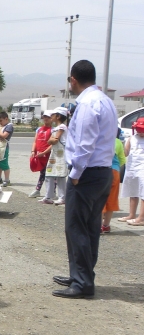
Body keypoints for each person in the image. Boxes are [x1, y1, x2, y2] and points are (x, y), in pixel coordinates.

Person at [52, 60, 117, 299]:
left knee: (76, 227)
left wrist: (76, 174)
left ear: (74, 80)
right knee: (89, 227)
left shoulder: (88, 104)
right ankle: (82, 274)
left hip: (87, 173)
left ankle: (82, 282)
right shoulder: (105, 101)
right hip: (102, 172)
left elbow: (85, 144)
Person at [100, 128, 127, 233]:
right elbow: (122, 160)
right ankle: (106, 225)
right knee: (112, 199)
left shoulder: (101, 140)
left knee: (100, 199)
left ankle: (97, 226)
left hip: (102, 171)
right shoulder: (118, 142)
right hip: (115, 171)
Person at [118, 118, 144, 226]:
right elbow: (126, 153)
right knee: (133, 191)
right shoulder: (131, 138)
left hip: (142, 167)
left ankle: (141, 218)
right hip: (132, 167)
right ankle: (131, 214)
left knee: (143, 193)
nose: (140, 132)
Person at [41, 108, 69, 205]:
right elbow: (50, 141)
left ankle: (62, 197)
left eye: (53, 115)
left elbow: (55, 140)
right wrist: (51, 140)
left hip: (61, 154)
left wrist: (52, 139)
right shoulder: (55, 128)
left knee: (60, 175)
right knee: (49, 173)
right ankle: (48, 196)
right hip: (54, 154)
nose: (51, 116)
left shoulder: (62, 127)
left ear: (58, 116)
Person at [29, 110, 53, 198]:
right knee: (42, 173)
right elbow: (35, 141)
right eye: (44, 117)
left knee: (50, 174)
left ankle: (51, 192)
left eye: (48, 117)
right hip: (40, 155)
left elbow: (53, 145)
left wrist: (44, 152)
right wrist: (33, 151)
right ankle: (39, 190)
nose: (46, 119)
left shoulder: (53, 130)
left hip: (49, 156)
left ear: (52, 119)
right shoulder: (39, 129)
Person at [0, 111, 14, 186]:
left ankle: (7, 180)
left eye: (1, 120)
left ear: (6, 119)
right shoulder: (1, 127)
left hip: (4, 148)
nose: (0, 122)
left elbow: (4, 135)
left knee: (4, 164)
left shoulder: (9, 126)